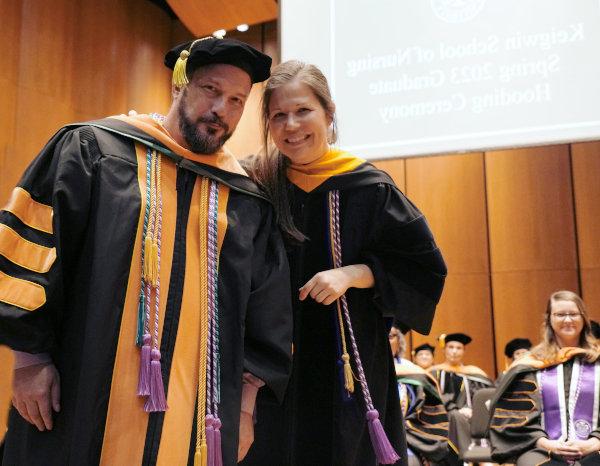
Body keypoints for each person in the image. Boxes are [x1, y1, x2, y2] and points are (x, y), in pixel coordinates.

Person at [0, 37, 293, 466]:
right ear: (180, 86)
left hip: (198, 410)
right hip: (83, 392)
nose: (221, 111)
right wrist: (29, 362)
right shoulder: (93, 150)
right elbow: (33, 250)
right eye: (211, 90)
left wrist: (246, 408)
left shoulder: (246, 199)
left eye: (236, 100)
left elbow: (265, 310)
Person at [240, 60, 447, 466]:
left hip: (347, 366)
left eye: (303, 111)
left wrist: (353, 274)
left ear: (329, 113)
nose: (291, 125)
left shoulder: (368, 187)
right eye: (278, 115)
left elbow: (422, 267)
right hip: (270, 367)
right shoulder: (256, 184)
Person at [489, 291, 600, 465]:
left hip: (595, 447)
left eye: (573, 314)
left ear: (584, 318)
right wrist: (547, 444)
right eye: (560, 314)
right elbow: (515, 418)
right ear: (549, 319)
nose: (568, 320)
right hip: (539, 447)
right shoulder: (531, 364)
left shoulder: (597, 360)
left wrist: (594, 442)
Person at [429, 333, 493, 457]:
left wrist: (472, 410)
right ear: (444, 349)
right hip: (441, 417)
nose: (454, 351)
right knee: (455, 415)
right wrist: (456, 409)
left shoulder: (474, 373)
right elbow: (432, 397)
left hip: (471, 417)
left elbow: (484, 398)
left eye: (458, 348)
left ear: (464, 351)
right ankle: (470, 455)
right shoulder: (434, 372)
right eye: (450, 347)